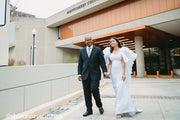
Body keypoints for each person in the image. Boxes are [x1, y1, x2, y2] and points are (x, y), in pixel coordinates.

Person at [104, 37, 142, 119]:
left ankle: (119, 111)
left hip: (121, 73)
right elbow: (109, 64)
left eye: (113, 41)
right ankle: (128, 108)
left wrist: (124, 74)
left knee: (121, 89)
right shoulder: (110, 52)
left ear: (117, 42)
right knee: (118, 92)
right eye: (110, 42)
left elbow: (123, 63)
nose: (111, 42)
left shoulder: (122, 50)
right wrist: (108, 72)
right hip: (113, 74)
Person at [78, 36, 108, 117]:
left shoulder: (98, 49)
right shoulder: (82, 51)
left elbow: (102, 62)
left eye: (90, 39)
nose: (89, 41)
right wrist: (79, 74)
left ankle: (99, 106)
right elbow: (80, 63)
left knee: (94, 89)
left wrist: (105, 71)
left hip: (95, 74)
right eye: (88, 40)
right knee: (87, 93)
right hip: (85, 75)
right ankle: (89, 110)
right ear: (85, 42)